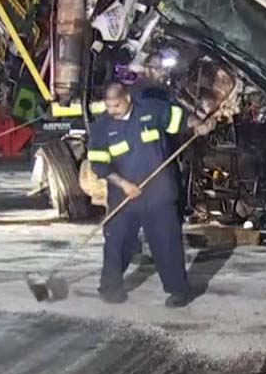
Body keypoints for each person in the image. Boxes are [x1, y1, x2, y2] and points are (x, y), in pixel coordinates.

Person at [87, 82, 214, 307]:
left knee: (167, 243)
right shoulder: (102, 127)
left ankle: (178, 291)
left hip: (159, 193)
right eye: (109, 106)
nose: (112, 110)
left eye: (116, 105)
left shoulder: (151, 110)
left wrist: (199, 125)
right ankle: (110, 288)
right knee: (117, 242)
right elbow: (99, 165)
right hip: (124, 198)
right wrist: (124, 184)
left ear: (127, 98)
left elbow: (181, 119)